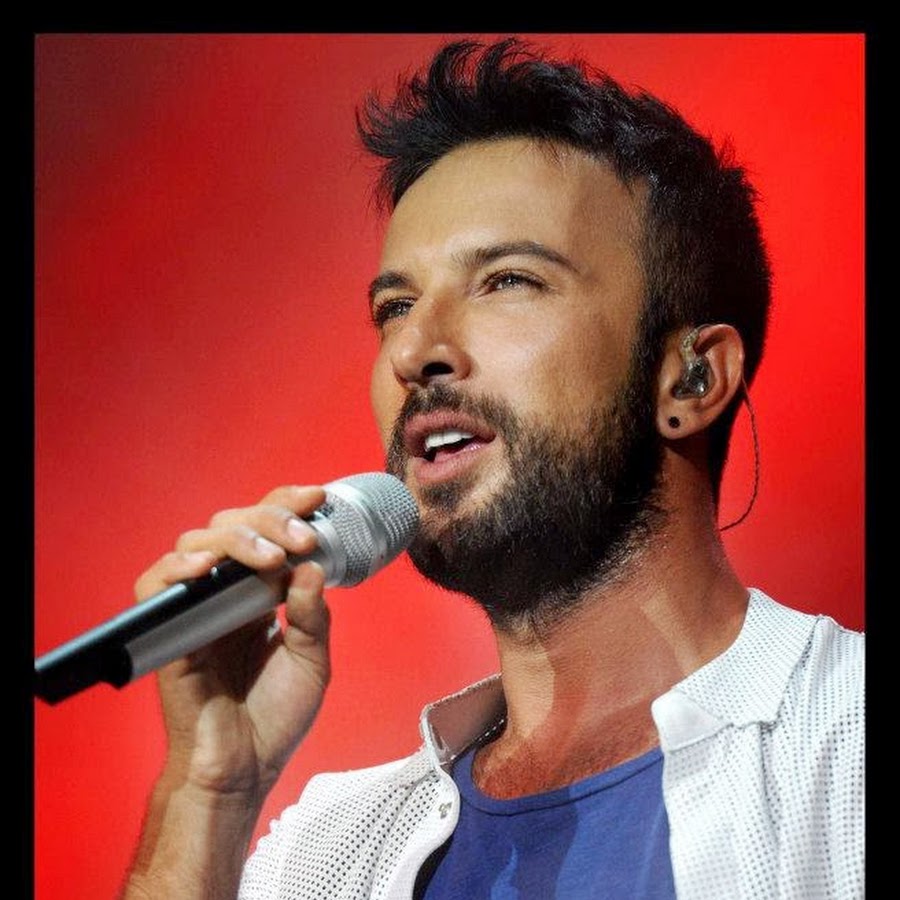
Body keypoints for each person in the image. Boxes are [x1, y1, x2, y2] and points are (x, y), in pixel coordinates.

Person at [119, 38, 864, 899]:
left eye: (507, 281)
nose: (415, 350)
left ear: (690, 379)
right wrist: (206, 798)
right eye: (395, 306)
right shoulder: (323, 857)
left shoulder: (844, 744)